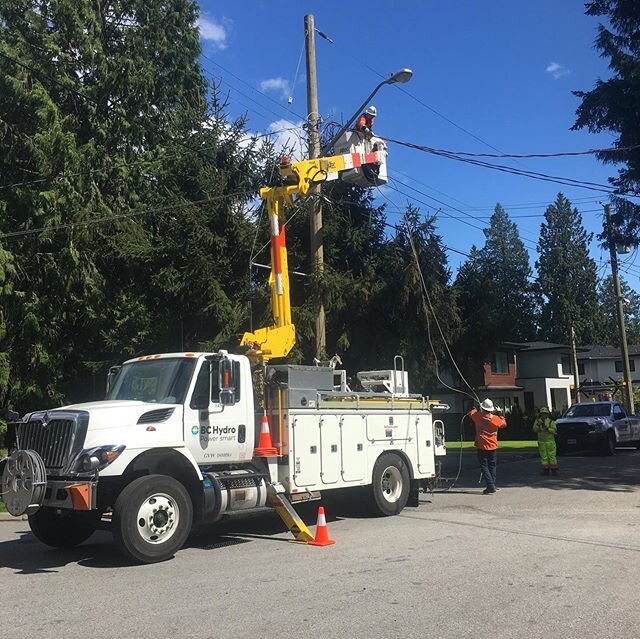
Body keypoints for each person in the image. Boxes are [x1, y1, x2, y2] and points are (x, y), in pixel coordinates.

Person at [468, 398, 507, 494]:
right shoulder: (495, 418)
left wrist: (477, 408)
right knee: (492, 466)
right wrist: (501, 414)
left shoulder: (477, 416)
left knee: (484, 466)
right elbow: (504, 424)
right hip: (493, 445)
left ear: (483, 408)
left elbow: (470, 413)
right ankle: (492, 484)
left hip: (482, 445)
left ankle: (490, 486)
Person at [532, 406, 558, 476]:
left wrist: (548, 429)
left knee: (552, 456)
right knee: (544, 456)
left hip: (550, 442)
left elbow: (554, 431)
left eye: (545, 414)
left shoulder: (550, 421)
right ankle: (546, 470)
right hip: (542, 442)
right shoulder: (537, 421)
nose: (543, 415)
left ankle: (554, 470)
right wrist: (538, 426)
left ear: (547, 414)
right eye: (542, 414)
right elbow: (534, 429)